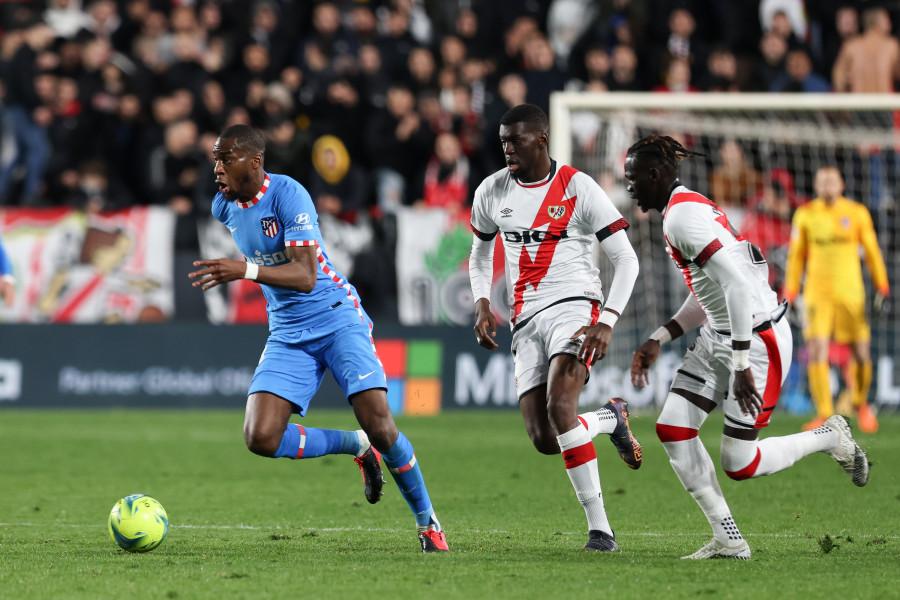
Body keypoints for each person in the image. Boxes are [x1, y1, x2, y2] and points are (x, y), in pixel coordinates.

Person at [188, 124, 449, 553]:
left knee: (382, 425)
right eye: (214, 159)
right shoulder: (225, 206)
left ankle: (428, 523)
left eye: (225, 159)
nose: (216, 169)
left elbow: (306, 276)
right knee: (261, 437)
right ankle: (355, 446)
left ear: (254, 162)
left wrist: (244, 270)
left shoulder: (289, 195)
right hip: (288, 332)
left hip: (334, 316)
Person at [625, 135, 870, 560]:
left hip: (756, 339)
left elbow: (736, 286)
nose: (628, 186)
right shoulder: (685, 208)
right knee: (673, 428)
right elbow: (711, 288)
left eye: (632, 178)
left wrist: (740, 364)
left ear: (653, 174)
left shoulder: (682, 218)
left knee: (739, 463)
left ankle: (830, 437)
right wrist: (661, 336)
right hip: (723, 334)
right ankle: (728, 539)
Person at [469, 104, 642, 553]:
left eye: (515, 141)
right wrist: (483, 302)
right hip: (525, 319)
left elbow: (627, 259)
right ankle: (609, 418)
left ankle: (601, 531)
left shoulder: (578, 187)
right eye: (503, 141)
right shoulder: (491, 191)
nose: (507, 149)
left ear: (541, 140)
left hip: (575, 307)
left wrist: (606, 320)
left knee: (561, 408)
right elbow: (480, 253)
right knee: (545, 438)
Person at [784, 166, 890, 433]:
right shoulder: (806, 215)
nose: (828, 185)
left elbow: (872, 251)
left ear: (842, 184)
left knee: (861, 352)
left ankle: (860, 403)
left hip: (850, 293)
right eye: (822, 181)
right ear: (816, 186)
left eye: (833, 180)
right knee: (817, 350)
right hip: (817, 294)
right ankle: (824, 413)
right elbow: (796, 256)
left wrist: (882, 285)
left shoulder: (856, 213)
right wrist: (791, 290)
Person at [832, 6, 900, 93]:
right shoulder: (891, 45)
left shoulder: (851, 46)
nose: (890, 25)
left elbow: (839, 80)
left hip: (858, 102)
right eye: (887, 20)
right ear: (877, 22)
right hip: (884, 102)